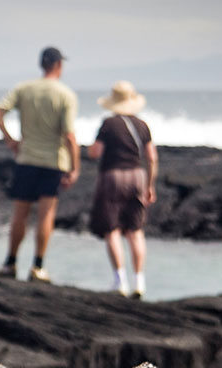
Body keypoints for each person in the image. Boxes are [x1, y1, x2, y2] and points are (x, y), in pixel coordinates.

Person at [0, 46, 80, 283]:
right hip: (53, 162)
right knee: (45, 215)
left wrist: (10, 140)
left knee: (19, 214)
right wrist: (75, 167)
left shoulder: (24, 88)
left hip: (27, 159)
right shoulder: (65, 94)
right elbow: (69, 136)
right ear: (59, 65)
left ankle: (10, 262)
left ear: (42, 64)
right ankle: (38, 266)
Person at [86, 81, 158, 299]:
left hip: (113, 176)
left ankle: (120, 280)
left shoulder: (108, 124)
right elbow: (152, 157)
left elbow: (96, 152)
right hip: (137, 175)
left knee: (113, 229)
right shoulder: (143, 125)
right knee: (135, 231)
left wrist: (89, 150)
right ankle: (139, 281)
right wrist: (150, 185)